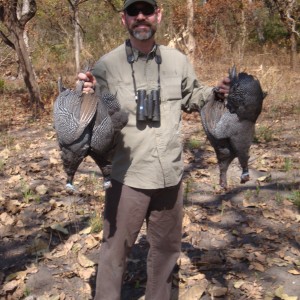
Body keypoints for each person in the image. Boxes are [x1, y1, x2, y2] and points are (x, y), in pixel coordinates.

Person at [78, 0, 230, 299]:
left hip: (170, 176)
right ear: (124, 19)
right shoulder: (106, 66)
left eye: (147, 11)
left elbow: (192, 97)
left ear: (158, 16)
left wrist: (215, 91)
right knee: (114, 254)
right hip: (127, 176)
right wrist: (83, 94)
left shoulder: (177, 61)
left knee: (167, 252)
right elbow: (94, 116)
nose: (141, 18)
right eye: (134, 12)